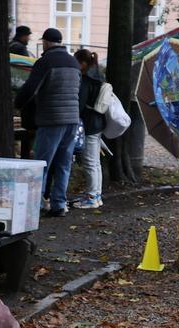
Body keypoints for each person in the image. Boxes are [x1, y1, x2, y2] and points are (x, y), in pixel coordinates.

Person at [15, 28, 82, 218]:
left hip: (51, 119)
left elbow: (30, 89)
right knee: (63, 164)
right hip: (72, 120)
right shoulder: (74, 62)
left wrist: (17, 104)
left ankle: (34, 207)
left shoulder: (45, 62)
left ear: (45, 43)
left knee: (41, 164)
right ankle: (59, 204)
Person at [72, 49, 106, 210]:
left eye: (76, 62)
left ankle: (92, 197)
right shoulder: (99, 76)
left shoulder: (86, 80)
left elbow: (79, 105)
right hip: (98, 123)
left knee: (90, 162)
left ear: (83, 64)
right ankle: (96, 195)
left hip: (90, 124)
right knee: (96, 163)